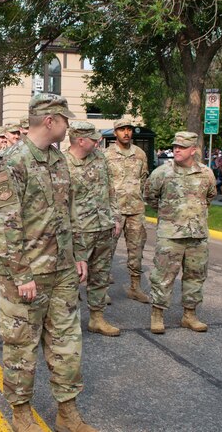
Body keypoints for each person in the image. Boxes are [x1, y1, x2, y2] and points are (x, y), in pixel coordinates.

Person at [0, 93, 95, 432]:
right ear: (50, 121)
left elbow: (70, 211)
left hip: (63, 270)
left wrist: (78, 254)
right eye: (65, 120)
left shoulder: (59, 160)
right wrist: (21, 273)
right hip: (26, 273)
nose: (68, 126)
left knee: (68, 344)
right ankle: (21, 412)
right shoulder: (12, 161)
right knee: (21, 346)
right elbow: (5, 225)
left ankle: (68, 412)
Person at [144, 131, 216, 335]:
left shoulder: (206, 173)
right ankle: (157, 315)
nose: (177, 149)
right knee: (163, 276)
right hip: (170, 235)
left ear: (193, 150)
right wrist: (170, 215)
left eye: (182, 147)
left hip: (197, 235)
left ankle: (189, 315)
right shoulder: (162, 173)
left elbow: (210, 196)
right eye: (175, 146)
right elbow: (150, 197)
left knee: (196, 276)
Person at [65, 121, 122, 337]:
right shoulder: (62, 163)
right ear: (80, 140)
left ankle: (97, 319)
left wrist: (115, 216)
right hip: (78, 231)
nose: (98, 141)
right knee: (71, 279)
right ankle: (68, 324)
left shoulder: (100, 158)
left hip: (103, 227)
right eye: (93, 138)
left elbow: (110, 190)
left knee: (100, 276)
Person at [104, 118, 151, 304]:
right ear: (115, 132)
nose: (126, 133)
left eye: (129, 129)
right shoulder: (106, 155)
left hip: (135, 209)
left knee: (136, 250)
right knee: (107, 251)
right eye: (122, 129)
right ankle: (102, 289)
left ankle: (135, 287)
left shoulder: (140, 154)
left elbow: (143, 178)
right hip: (114, 210)